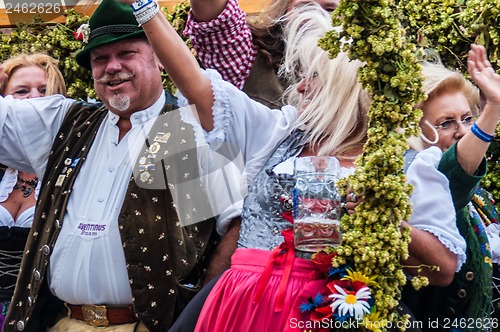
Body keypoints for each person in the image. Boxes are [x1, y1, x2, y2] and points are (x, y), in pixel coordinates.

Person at [121, 1, 486, 330]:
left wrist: (388, 217)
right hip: (241, 306)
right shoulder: (279, 132)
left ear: (344, 87)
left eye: (311, 76)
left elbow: (443, 269)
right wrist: (146, 9)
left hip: (325, 315)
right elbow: (197, 85)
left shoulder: (401, 164)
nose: (300, 88)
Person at [1, 1, 225, 331]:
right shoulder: (65, 122)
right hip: (63, 321)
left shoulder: (191, 129)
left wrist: (202, 316)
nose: (112, 67)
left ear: (159, 56)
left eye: (127, 53)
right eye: (101, 58)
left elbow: (234, 226)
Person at [402, 54, 500, 327]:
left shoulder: (480, 199)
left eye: (468, 118)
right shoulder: (422, 187)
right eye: (446, 123)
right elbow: (457, 169)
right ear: (414, 131)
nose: (462, 131)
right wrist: (494, 108)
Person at [0, 53, 66, 329]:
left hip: (46, 316)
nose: (34, 100)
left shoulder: (71, 170)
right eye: (22, 91)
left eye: (45, 92)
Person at [185, 0, 340, 109]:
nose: (315, 17)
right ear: (285, 10)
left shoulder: (362, 75)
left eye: (330, 10)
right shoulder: (249, 61)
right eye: (304, 7)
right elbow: (215, 16)